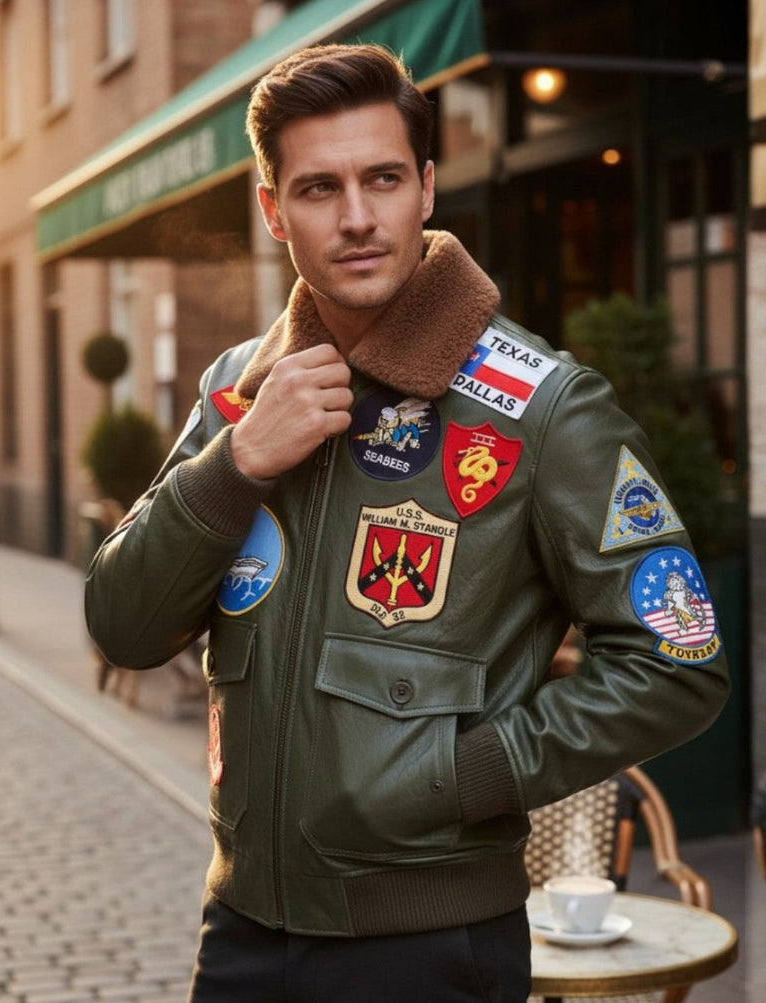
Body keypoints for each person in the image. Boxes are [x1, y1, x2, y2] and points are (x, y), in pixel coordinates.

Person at [85, 43, 730, 1003]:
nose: (356, 217)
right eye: (317, 188)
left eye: (382, 178)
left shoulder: (543, 409)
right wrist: (240, 463)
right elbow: (122, 627)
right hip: (244, 932)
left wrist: (458, 775)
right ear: (271, 209)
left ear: (426, 188)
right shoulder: (237, 392)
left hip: (433, 949)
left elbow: (680, 659)